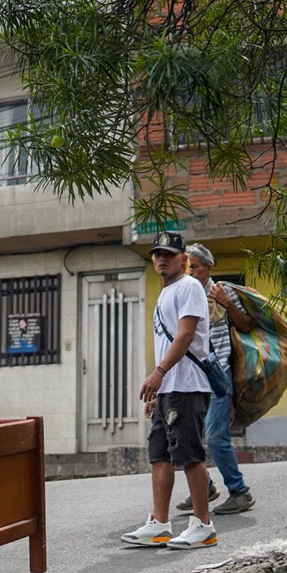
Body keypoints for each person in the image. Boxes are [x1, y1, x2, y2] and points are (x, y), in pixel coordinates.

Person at [122, 230, 218, 550]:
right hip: (169, 389)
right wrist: (158, 391)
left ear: (183, 259)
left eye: (169, 254)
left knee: (190, 454)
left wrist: (159, 373)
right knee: (159, 453)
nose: (162, 259)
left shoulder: (189, 287)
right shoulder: (165, 293)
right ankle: (160, 523)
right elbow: (166, 341)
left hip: (188, 385)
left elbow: (185, 336)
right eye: (158, 254)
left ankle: (203, 524)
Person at [173, 244, 256, 516]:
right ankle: (205, 486)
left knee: (215, 435)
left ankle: (239, 491)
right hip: (191, 374)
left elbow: (245, 325)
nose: (190, 271)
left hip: (217, 372)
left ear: (209, 268)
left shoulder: (221, 291)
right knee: (185, 433)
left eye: (195, 266)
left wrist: (228, 303)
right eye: (188, 266)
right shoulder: (184, 293)